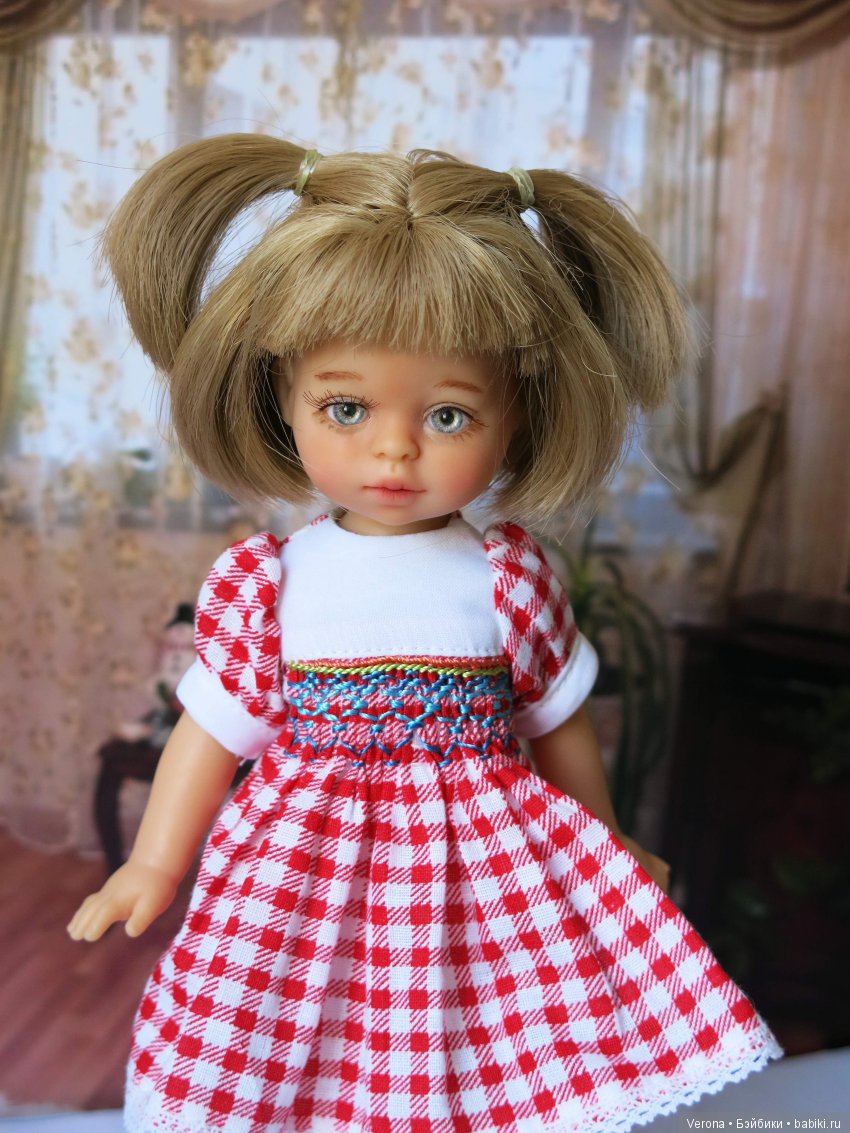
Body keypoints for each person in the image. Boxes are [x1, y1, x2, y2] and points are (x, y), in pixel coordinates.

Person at [68, 135, 781, 1133]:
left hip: (482, 879)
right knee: (287, 1055)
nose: (394, 447)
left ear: (517, 415)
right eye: (346, 407)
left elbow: (554, 722)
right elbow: (210, 732)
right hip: (301, 876)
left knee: (480, 1051)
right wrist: (154, 860)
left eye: (449, 415)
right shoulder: (272, 583)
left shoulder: (508, 578)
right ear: (282, 398)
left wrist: (605, 837)